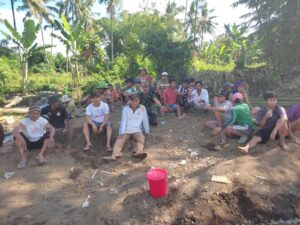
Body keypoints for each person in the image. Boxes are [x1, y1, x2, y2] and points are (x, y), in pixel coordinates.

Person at [102, 95, 149, 162]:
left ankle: (139, 152)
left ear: (139, 101)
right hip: (127, 130)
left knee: (141, 138)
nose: (135, 103)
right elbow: (123, 121)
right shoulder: (125, 109)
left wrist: (147, 131)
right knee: (120, 140)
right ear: (130, 101)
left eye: (136, 101)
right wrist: (122, 132)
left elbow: (145, 119)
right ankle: (114, 156)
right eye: (133, 101)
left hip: (137, 130)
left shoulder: (142, 108)